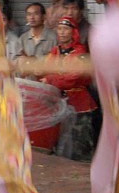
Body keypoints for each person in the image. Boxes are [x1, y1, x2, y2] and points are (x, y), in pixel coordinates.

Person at [41, 17, 95, 159]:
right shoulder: (55, 51)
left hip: (79, 104)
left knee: (80, 144)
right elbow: (46, 70)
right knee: (62, 143)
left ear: (74, 32)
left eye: (66, 29)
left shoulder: (80, 52)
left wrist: (51, 79)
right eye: (59, 29)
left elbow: (74, 78)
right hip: (60, 103)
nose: (62, 32)